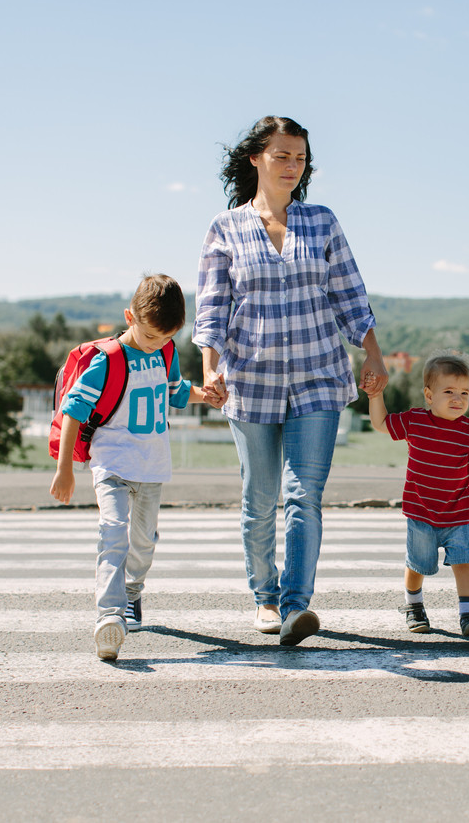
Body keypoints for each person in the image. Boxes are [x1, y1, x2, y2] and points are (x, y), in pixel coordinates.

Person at [193, 116, 388, 647]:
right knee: (260, 496)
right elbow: (211, 308)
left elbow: (351, 296)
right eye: (282, 155)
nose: (292, 166)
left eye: (300, 158)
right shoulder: (225, 228)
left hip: (318, 376)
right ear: (256, 158)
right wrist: (210, 369)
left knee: (305, 495)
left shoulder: (322, 222)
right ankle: (265, 595)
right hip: (251, 380)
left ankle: (297, 607)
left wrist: (372, 355)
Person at [51, 273, 208, 660]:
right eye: (151, 335)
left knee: (143, 545)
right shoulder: (107, 362)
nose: (158, 344)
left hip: (152, 467)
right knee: (113, 534)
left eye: (167, 337)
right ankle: (109, 617)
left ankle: (133, 592)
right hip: (112, 464)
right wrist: (64, 468)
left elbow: (175, 391)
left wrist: (208, 397)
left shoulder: (166, 352)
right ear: (129, 317)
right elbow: (73, 410)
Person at [365, 353, 469, 636]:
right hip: (421, 513)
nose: (458, 399)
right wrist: (375, 395)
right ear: (429, 394)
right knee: (418, 566)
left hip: (459, 513)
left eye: (464, 392)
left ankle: (468, 614)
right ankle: (413, 606)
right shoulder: (415, 421)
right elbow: (381, 423)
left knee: (464, 563)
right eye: (448, 391)